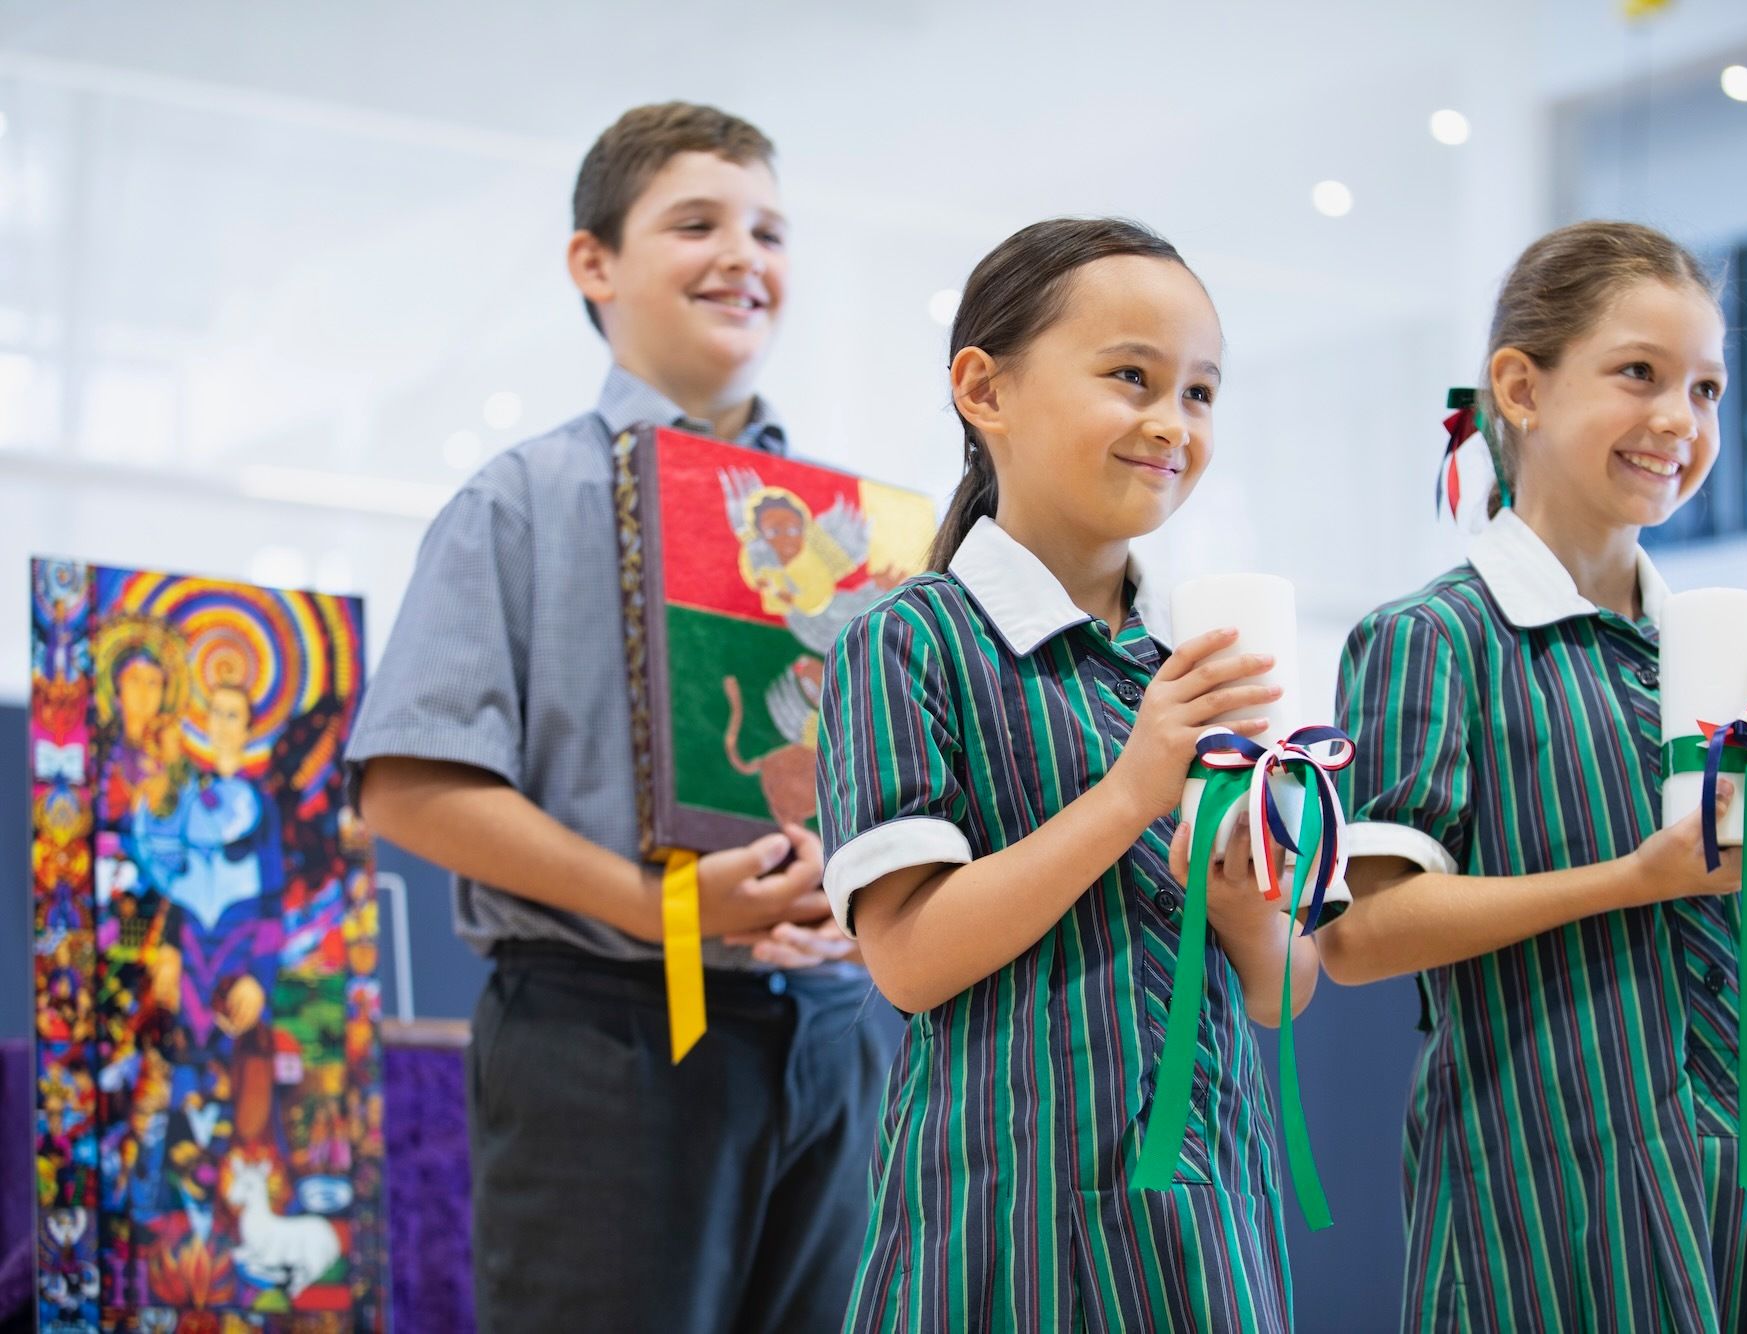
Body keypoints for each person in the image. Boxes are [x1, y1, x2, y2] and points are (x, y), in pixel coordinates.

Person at [348, 101, 891, 1333]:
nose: (742, 255)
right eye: (694, 222)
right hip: (608, 1035)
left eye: (768, 229)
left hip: (834, 1026)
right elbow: (407, 784)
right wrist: (656, 903)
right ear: (594, 263)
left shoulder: (853, 536)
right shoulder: (519, 501)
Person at [1317, 221, 1747, 1332]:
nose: (1676, 420)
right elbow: (1357, 936)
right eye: (1637, 372)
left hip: (1739, 1177)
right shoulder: (1434, 637)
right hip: (1541, 1204)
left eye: (1705, 388)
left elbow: (1724, 913)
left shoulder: (1699, 652)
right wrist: (1630, 877)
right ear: (1519, 386)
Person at [817, 217, 1319, 1331]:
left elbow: (1284, 985)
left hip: (1209, 1220)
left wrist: (1242, 909)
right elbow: (905, 958)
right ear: (982, 389)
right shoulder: (910, 641)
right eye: (1130, 376)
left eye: (1199, 393)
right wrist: (1131, 792)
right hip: (1004, 1232)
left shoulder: (1190, 665)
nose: (1170, 423)